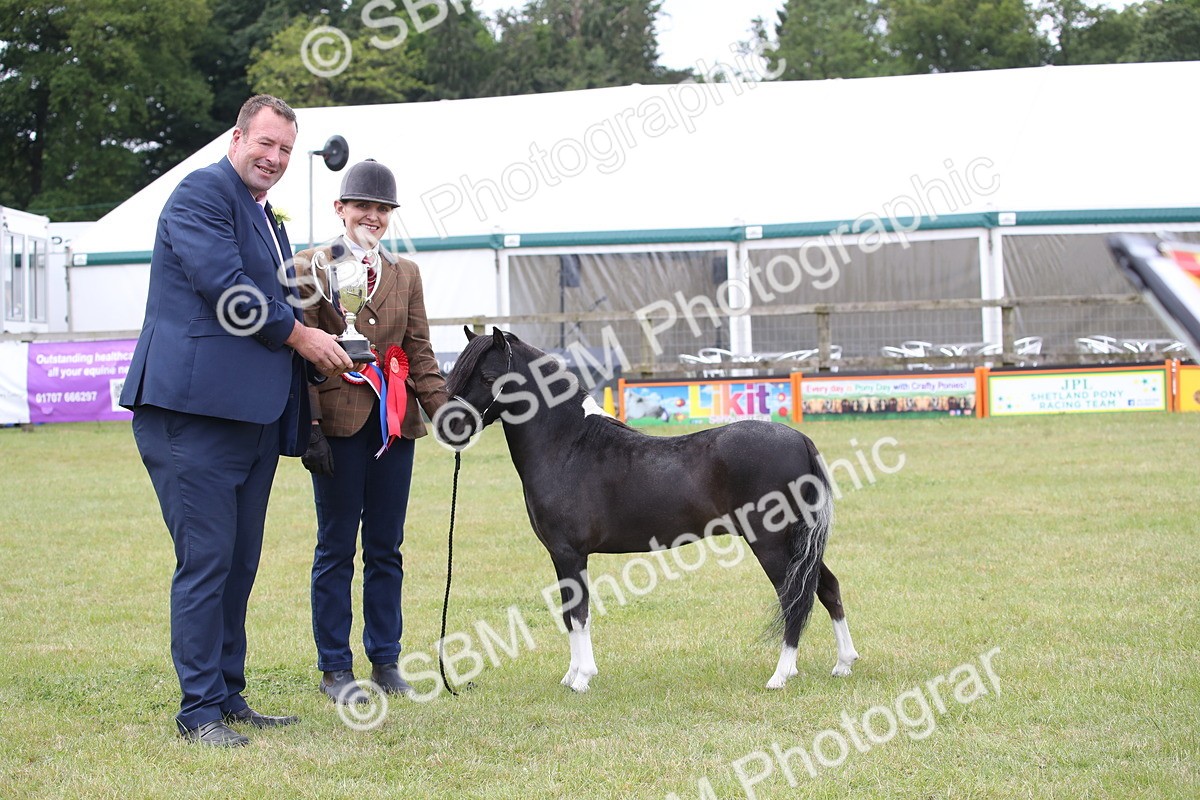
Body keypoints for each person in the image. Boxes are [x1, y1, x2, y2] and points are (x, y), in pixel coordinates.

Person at [121, 94, 358, 747]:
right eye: (266, 144)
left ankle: (226, 693)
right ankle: (197, 711)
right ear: (237, 137)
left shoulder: (263, 216)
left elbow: (278, 295)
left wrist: (323, 342)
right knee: (206, 560)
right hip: (191, 414)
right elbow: (226, 289)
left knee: (237, 563)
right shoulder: (202, 194)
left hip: (250, 419)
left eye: (285, 149)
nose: (276, 159)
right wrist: (302, 339)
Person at [294, 159, 449, 705]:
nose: (373, 217)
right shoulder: (307, 266)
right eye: (363, 206)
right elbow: (299, 351)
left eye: (382, 209)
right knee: (335, 546)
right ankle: (335, 666)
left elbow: (419, 349)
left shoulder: (405, 273)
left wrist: (442, 408)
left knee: (387, 547)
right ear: (341, 209)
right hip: (336, 422)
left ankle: (386, 658)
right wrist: (310, 423)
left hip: (395, 424)